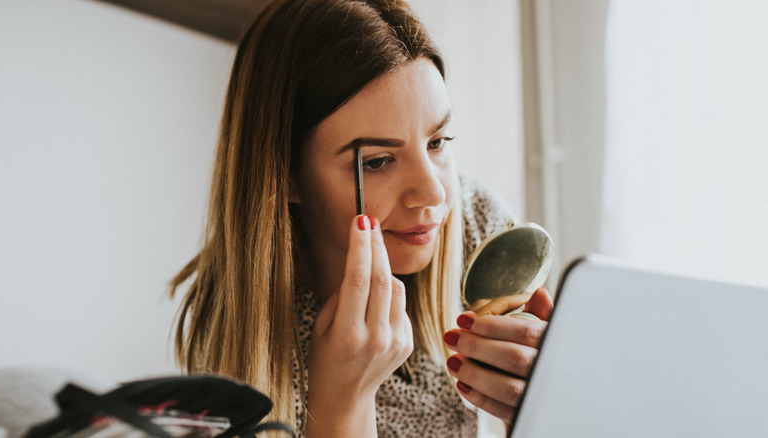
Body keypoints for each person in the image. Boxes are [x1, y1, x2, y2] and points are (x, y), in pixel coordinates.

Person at [169, 0, 554, 436]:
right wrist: (342, 405)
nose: (433, 193)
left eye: (438, 141)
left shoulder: (473, 226)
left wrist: (544, 414)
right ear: (285, 175)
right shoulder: (244, 343)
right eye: (376, 162)